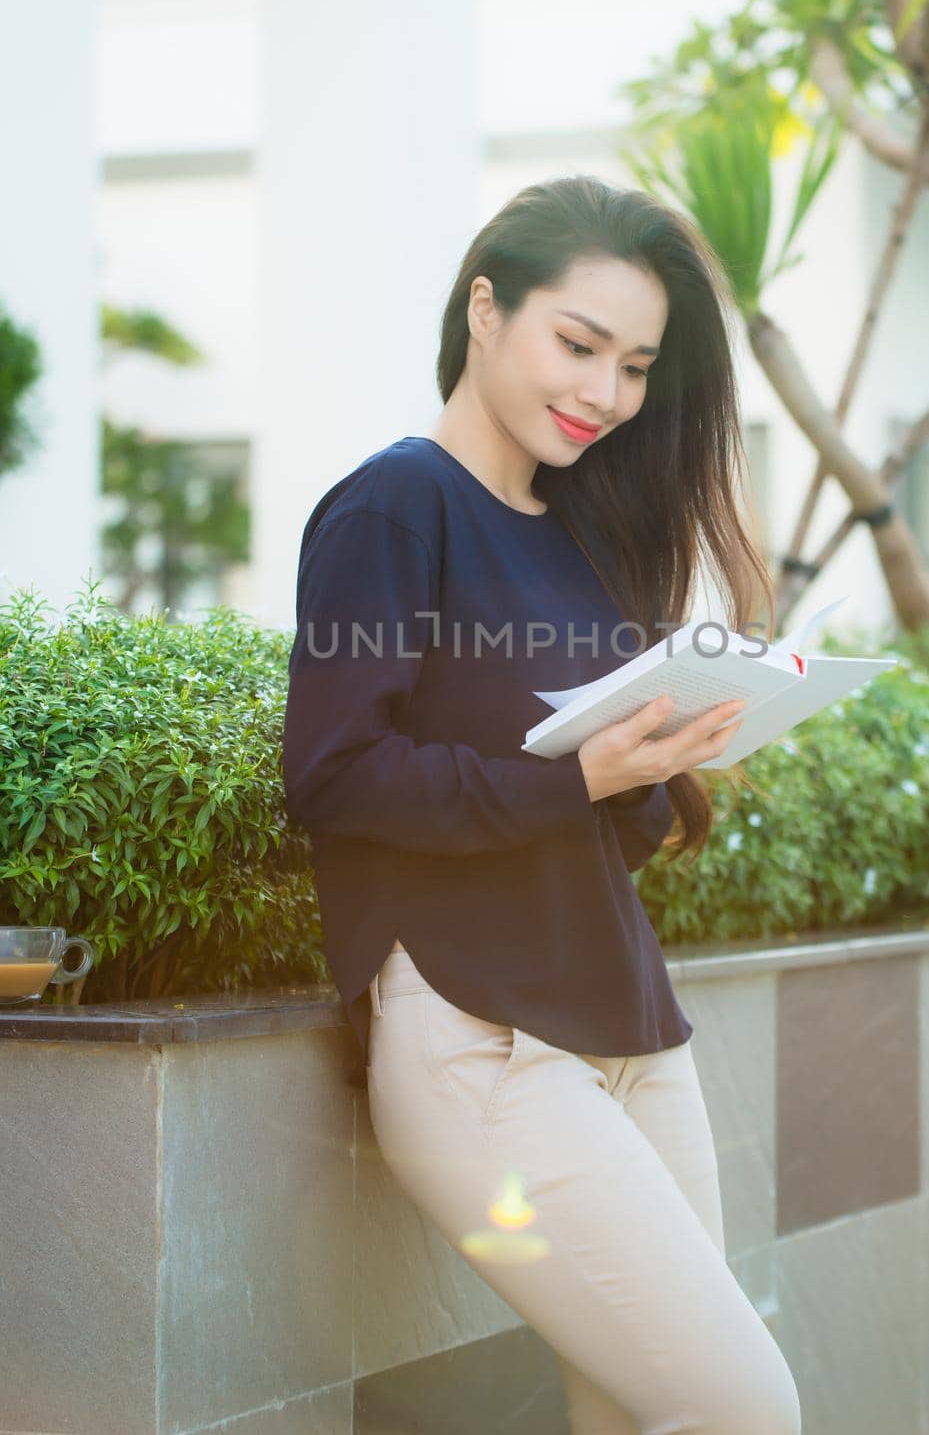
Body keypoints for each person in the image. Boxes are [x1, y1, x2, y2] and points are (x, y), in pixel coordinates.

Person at [282, 174, 802, 1434]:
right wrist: (575, 773)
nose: (606, 393)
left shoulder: (578, 535)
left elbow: (583, 814)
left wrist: (657, 758)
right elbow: (335, 775)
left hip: (627, 1027)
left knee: (633, 1412)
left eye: (633, 365)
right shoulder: (394, 504)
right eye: (579, 345)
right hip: (480, 1041)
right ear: (485, 309)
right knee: (746, 1409)